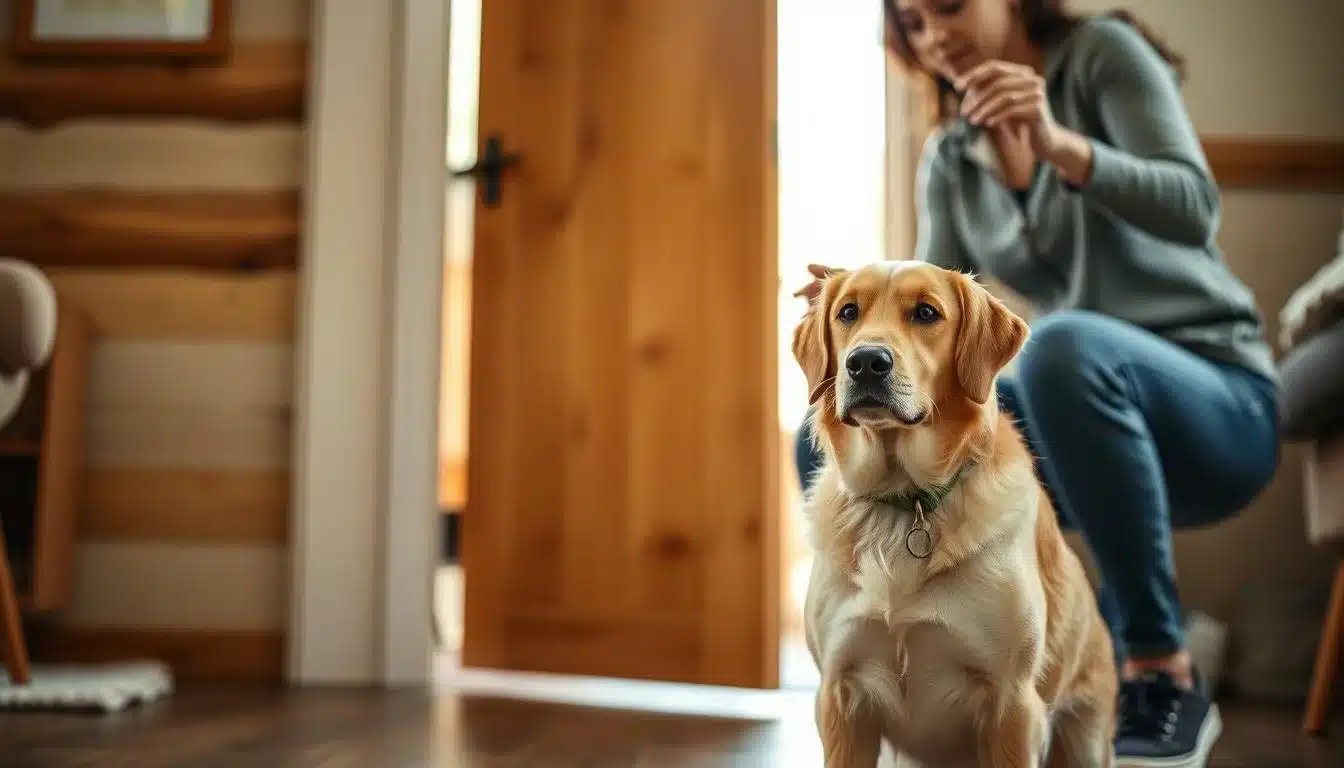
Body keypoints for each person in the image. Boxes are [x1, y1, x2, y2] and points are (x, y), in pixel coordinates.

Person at [793, 2, 1280, 765]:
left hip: (1218, 401)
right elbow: (934, 322)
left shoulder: (1101, 56)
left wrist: (1061, 147)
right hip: (1080, 408)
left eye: (949, 6)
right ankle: (888, 672)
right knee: (843, 420)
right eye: (915, 23)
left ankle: (1160, 667)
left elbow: (1196, 205)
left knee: (1059, 350)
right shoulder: (952, 157)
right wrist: (853, 318)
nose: (936, 34)